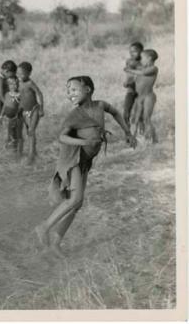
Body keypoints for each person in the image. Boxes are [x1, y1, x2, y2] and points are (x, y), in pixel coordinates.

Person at [35, 76, 136, 257]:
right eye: (68, 91)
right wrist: (84, 141)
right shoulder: (75, 115)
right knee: (74, 200)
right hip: (73, 157)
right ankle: (44, 227)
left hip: (85, 161)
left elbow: (116, 113)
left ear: (88, 89)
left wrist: (128, 132)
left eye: (73, 89)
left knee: (77, 204)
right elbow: (62, 137)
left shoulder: (100, 105)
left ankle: (56, 242)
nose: (69, 94)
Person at [124, 49, 159, 143]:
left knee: (146, 118)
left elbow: (143, 73)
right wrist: (128, 83)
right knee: (136, 119)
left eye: (142, 58)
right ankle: (136, 141)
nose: (141, 60)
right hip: (139, 97)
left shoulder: (154, 68)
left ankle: (154, 141)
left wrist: (129, 69)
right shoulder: (140, 69)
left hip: (149, 96)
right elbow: (135, 81)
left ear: (149, 58)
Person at [17, 61, 44, 164]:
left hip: (34, 110)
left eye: (22, 74)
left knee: (31, 131)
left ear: (29, 73)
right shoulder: (18, 83)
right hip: (24, 111)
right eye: (18, 73)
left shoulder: (30, 83)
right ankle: (33, 152)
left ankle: (31, 156)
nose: (19, 76)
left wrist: (41, 109)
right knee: (28, 131)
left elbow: (40, 94)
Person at [0, 60, 17, 146]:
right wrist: (8, 103)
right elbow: (0, 95)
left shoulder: (7, 77)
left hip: (5, 99)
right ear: (6, 71)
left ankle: (10, 142)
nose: (12, 76)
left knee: (12, 122)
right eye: (11, 74)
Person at [123, 42, 144, 130]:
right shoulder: (129, 61)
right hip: (131, 90)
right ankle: (128, 134)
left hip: (141, 91)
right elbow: (128, 75)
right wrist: (126, 82)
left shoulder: (144, 62)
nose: (132, 53)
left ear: (141, 51)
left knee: (140, 116)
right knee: (125, 113)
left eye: (134, 51)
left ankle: (143, 137)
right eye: (130, 51)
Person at [0, 76, 22, 155]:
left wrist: (18, 114)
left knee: (15, 133)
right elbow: (5, 105)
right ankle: (7, 149)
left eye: (16, 84)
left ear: (18, 85)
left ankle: (15, 150)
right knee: (7, 133)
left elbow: (21, 107)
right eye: (11, 84)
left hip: (15, 118)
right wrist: (1, 116)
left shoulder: (19, 95)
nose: (14, 86)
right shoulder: (7, 94)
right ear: (8, 85)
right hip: (7, 118)